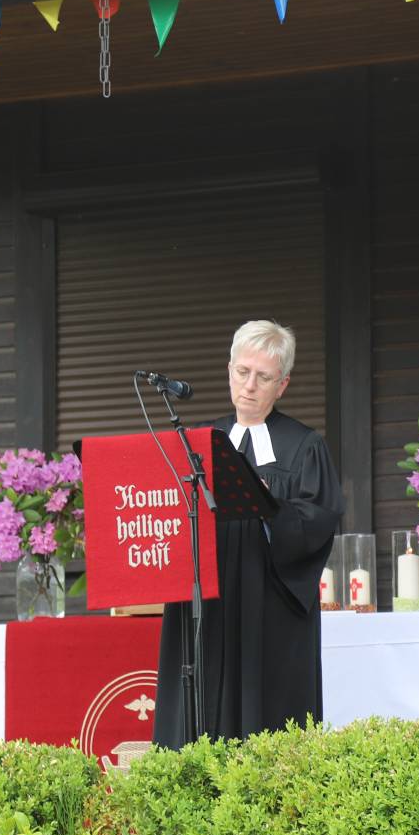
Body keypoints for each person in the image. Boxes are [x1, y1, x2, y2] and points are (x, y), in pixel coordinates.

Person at [152, 320, 344, 749]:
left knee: (266, 714)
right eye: (242, 372)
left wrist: (269, 510)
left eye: (264, 377)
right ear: (229, 371)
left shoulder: (304, 447)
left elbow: (318, 519)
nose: (250, 385)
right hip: (207, 601)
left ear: (283, 385)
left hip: (268, 602)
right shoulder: (197, 441)